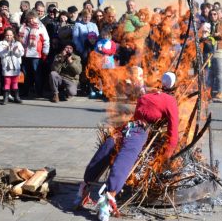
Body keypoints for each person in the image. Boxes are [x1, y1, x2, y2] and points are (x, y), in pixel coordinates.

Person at [73, 72, 179, 220]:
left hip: (126, 127)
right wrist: (166, 155)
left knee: (106, 149)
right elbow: (173, 133)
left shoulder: (148, 95)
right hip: (138, 131)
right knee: (124, 159)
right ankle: (107, 200)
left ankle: (84, 189)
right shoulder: (170, 100)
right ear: (173, 87)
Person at [19, 10, 50, 97]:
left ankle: (39, 92)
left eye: (33, 18)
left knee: (37, 74)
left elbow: (46, 40)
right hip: (24, 54)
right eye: (30, 19)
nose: (31, 21)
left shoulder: (40, 27)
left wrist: (45, 52)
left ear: (36, 18)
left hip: (36, 55)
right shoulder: (23, 27)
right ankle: (25, 91)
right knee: (25, 74)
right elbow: (19, 40)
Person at [0, 27, 24, 105]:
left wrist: (15, 51)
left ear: (13, 35)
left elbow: (21, 53)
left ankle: (16, 97)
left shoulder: (17, 43)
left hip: (15, 66)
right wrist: (6, 50)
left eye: (10, 35)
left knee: (15, 82)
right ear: (4, 35)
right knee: (7, 81)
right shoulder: (1, 43)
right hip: (6, 66)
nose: (9, 37)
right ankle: (5, 98)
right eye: (7, 35)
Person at [208, 8, 222, 99]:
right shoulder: (207, 24)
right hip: (209, 50)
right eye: (211, 14)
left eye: (215, 14)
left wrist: (220, 34)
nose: (213, 16)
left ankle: (220, 92)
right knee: (210, 73)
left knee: (219, 73)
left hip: (220, 50)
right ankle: (209, 91)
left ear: (218, 15)